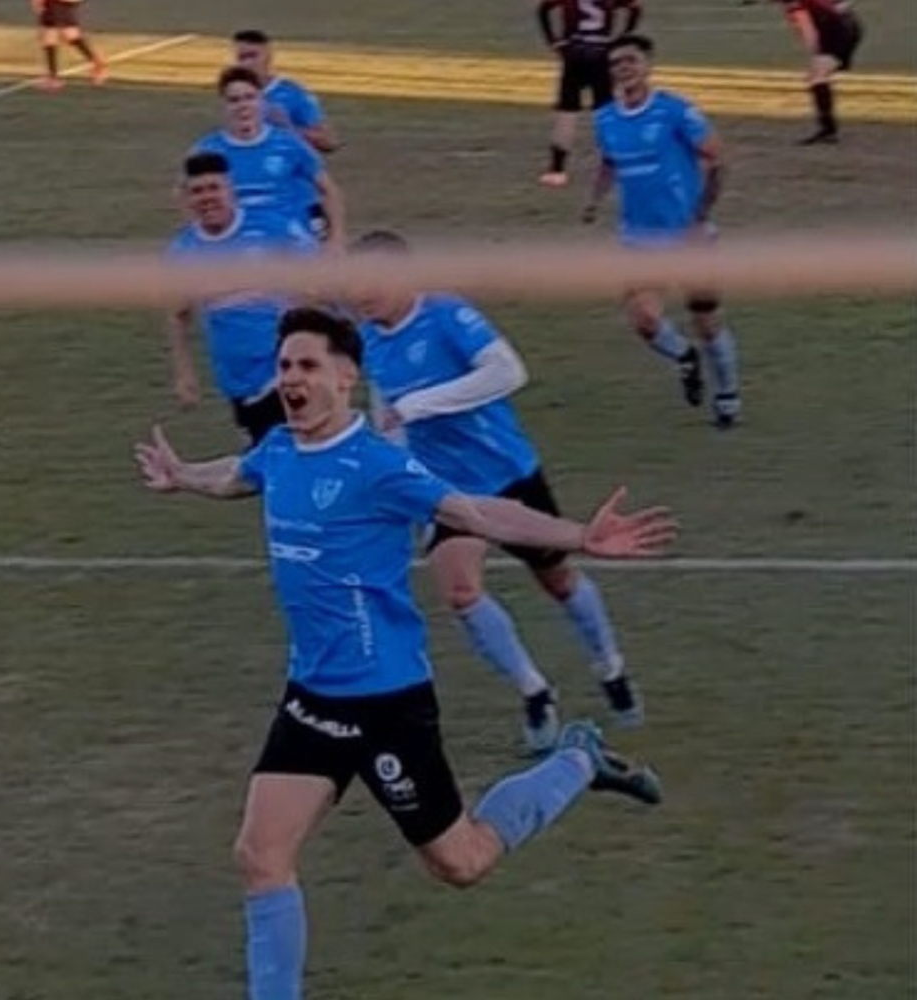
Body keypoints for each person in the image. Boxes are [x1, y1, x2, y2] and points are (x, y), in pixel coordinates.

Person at [134, 306, 669, 1000]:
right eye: (284, 366)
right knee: (261, 857)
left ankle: (576, 760)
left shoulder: (380, 467)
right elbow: (239, 473)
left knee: (462, 862)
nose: (289, 378)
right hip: (312, 701)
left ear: (347, 377)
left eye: (306, 366)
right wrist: (182, 476)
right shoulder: (279, 449)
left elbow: (481, 513)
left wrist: (576, 536)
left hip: (388, 704)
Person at [348, 229, 643, 753]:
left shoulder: (445, 314)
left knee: (558, 581)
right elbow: (384, 408)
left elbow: (508, 371)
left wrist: (421, 404)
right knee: (460, 591)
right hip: (443, 487)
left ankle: (611, 668)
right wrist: (394, 472)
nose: (359, 294)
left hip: (507, 471)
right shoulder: (368, 339)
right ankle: (535, 693)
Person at [582, 34, 741, 429]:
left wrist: (700, 213)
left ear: (647, 65)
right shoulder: (605, 119)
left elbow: (718, 159)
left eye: (631, 61)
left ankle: (727, 399)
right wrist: (594, 200)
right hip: (639, 240)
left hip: (688, 238)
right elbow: (608, 163)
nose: (624, 69)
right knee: (644, 320)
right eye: (617, 63)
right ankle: (684, 357)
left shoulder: (677, 112)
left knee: (706, 318)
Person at [164, 152, 320, 445]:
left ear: (231, 190)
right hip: (237, 383)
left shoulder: (272, 228)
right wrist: (184, 375)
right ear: (187, 198)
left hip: (283, 373)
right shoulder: (184, 252)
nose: (207, 198)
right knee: (268, 470)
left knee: (290, 463)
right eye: (198, 191)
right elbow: (178, 314)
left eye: (214, 188)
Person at [191, 65, 346, 246]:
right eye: (234, 100)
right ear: (224, 105)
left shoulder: (289, 144)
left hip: (290, 248)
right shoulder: (208, 149)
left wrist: (336, 239)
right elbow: (188, 196)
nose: (243, 106)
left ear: (262, 101)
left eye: (249, 97)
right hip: (235, 250)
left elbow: (329, 190)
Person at [536, 0, 641, 187]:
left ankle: (557, 169)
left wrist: (554, 41)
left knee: (567, 110)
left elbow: (543, 8)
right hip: (601, 51)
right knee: (607, 110)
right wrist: (621, 39)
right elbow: (635, 7)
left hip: (574, 51)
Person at [230, 30, 339, 154]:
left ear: (268, 55)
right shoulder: (234, 94)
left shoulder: (293, 92)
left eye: (253, 56)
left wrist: (287, 127)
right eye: (241, 58)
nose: (247, 63)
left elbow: (328, 143)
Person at [774, 0, 863, 144]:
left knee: (817, 78)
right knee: (818, 76)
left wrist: (816, 53)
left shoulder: (794, 5)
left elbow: (808, 31)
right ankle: (828, 130)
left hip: (837, 33)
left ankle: (828, 131)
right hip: (848, 26)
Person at [32, 0, 107, 92]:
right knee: (51, 36)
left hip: (58, 4)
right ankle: (53, 77)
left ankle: (97, 63)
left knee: (66, 35)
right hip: (53, 5)